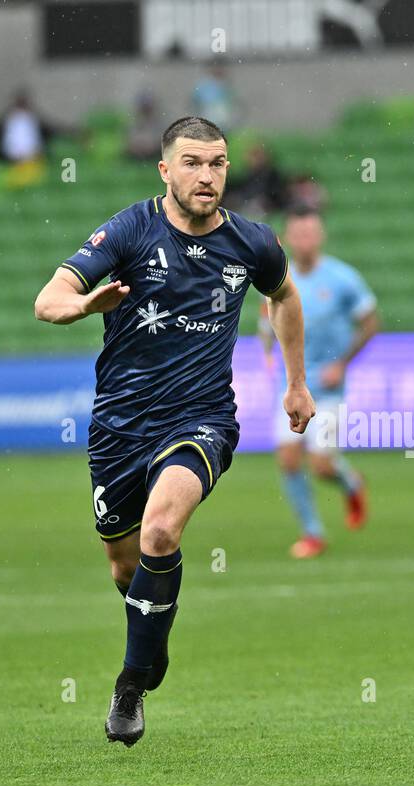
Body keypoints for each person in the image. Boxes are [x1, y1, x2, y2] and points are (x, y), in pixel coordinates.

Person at [33, 116, 315, 747]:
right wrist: (83, 305)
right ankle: (151, 636)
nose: (206, 175)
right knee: (123, 565)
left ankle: (130, 684)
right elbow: (48, 298)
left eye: (217, 163)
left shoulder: (253, 243)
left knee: (163, 528)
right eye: (192, 163)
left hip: (202, 420)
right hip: (119, 426)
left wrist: (295, 383)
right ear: (165, 170)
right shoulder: (130, 230)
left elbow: (286, 300)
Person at [259, 209, 378, 558]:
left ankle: (351, 482)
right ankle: (312, 533)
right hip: (291, 384)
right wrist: (268, 350)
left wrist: (342, 364)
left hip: (326, 386)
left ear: (321, 236)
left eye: (311, 233)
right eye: (298, 233)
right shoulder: (279, 278)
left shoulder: (342, 278)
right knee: (289, 459)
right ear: (289, 238)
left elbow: (370, 322)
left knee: (321, 463)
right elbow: (267, 321)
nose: (305, 240)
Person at [0, 91, 54, 164]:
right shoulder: (8, 118)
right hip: (10, 158)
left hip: (33, 156)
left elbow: (48, 130)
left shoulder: (33, 118)